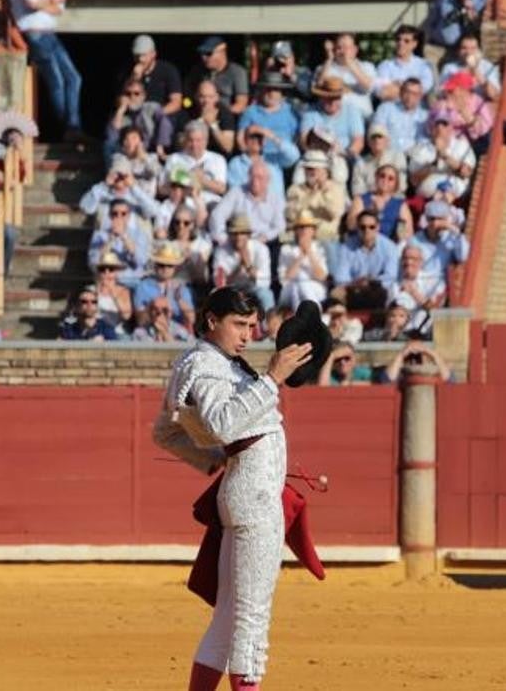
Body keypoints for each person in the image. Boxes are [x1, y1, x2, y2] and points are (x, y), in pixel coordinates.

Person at [159, 286, 313, 691]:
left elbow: (166, 431)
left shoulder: (209, 362)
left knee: (228, 620)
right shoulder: (209, 367)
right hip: (255, 499)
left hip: (248, 490)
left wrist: (215, 460)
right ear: (212, 321)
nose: (248, 334)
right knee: (250, 618)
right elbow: (223, 425)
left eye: (252, 326)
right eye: (239, 325)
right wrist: (272, 379)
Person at [9, 0, 83, 142]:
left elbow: (59, 9)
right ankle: (69, 128)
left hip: (49, 34)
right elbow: (31, 3)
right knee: (56, 81)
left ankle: (73, 124)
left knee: (74, 78)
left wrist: (44, 3)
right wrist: (49, 1)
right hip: (34, 34)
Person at [207, 159, 285, 246]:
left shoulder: (276, 199)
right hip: (236, 241)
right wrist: (223, 238)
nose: (255, 182)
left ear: (268, 180)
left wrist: (266, 237)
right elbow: (217, 214)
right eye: (252, 176)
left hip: (265, 243)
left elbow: (279, 227)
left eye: (260, 178)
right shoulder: (237, 192)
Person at [332, 209, 398, 309]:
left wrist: (371, 282)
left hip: (378, 289)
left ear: (378, 228)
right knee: (336, 293)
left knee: (393, 289)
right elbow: (340, 278)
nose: (367, 230)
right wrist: (356, 283)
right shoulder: (346, 247)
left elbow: (391, 276)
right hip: (354, 289)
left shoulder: (389, 246)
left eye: (372, 227)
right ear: (357, 228)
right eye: (363, 227)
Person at [212, 214, 273, 313]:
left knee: (266, 295)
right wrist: (239, 266)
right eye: (234, 233)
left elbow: (265, 282)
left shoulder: (261, 249)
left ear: (248, 235)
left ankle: (268, 327)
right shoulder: (221, 251)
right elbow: (219, 283)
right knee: (215, 295)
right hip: (232, 289)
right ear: (229, 235)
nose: (238, 237)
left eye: (242, 233)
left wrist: (248, 265)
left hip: (253, 288)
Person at [160, 119, 227, 209]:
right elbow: (161, 189)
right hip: (182, 203)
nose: (194, 145)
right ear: (185, 140)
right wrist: (181, 188)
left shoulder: (217, 159)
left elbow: (221, 189)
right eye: (190, 140)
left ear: (206, 141)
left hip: (209, 203)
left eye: (198, 140)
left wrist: (202, 180)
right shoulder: (174, 159)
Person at [285, 150, 346, 244]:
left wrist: (324, 191)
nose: (311, 172)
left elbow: (335, 214)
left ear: (325, 171)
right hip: (299, 238)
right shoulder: (294, 189)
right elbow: (291, 215)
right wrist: (311, 195)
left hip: (326, 238)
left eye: (315, 169)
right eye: (308, 168)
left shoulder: (336, 189)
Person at [87, 198, 151, 288]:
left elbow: (141, 262)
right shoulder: (99, 235)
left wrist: (124, 236)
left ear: (129, 216)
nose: (119, 217)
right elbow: (93, 262)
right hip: (107, 282)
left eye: (123, 214)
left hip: (132, 282)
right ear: (109, 215)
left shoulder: (139, 234)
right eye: (115, 213)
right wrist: (110, 239)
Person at [408, 114, 476, 198]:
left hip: (455, 197)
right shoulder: (421, 149)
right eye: (436, 125)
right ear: (431, 130)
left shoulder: (462, 145)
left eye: (444, 124)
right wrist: (433, 164)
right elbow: (413, 181)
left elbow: (467, 173)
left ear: (451, 128)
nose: (440, 127)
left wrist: (444, 155)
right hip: (429, 198)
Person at [133, 241, 195, 331]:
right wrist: (152, 307)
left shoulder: (183, 289)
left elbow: (191, 319)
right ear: (155, 266)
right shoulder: (142, 286)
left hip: (176, 332)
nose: (165, 269)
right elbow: (140, 321)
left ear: (175, 268)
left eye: (169, 265)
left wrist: (179, 300)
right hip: (149, 332)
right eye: (161, 265)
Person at [313, 33, 376, 120]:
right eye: (339, 47)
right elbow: (318, 88)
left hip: (362, 118)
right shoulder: (324, 68)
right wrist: (329, 59)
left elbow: (369, 87)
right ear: (334, 50)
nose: (342, 51)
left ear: (355, 50)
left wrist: (350, 63)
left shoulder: (367, 66)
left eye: (346, 48)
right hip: (331, 120)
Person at [299, 76, 363, 160]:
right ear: (321, 97)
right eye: (329, 98)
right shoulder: (310, 112)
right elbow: (304, 140)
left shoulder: (352, 111)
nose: (332, 102)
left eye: (336, 98)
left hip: (343, 156)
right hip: (317, 157)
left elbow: (358, 141)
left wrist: (346, 155)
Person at [106, 78, 172, 157]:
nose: (132, 97)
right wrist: (121, 109)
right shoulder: (119, 114)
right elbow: (112, 135)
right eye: (128, 94)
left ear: (143, 96)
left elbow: (165, 122)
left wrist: (160, 146)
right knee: (108, 145)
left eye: (136, 93)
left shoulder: (152, 108)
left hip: (149, 152)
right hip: (126, 153)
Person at [183, 35, 249, 114]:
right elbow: (186, 98)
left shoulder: (237, 72)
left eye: (208, 53)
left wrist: (219, 114)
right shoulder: (197, 71)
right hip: (199, 117)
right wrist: (188, 106)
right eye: (202, 54)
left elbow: (241, 105)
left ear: (222, 52)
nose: (203, 57)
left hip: (228, 118)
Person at [237, 71, 298, 155]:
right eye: (268, 89)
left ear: (281, 92)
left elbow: (296, 139)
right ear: (261, 90)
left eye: (276, 89)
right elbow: (240, 140)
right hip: (257, 156)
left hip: (282, 158)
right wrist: (250, 157)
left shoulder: (291, 111)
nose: (271, 94)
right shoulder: (250, 111)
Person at [388, 243, 445, 333]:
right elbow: (389, 315)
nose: (409, 262)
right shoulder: (394, 286)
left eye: (414, 259)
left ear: (421, 262)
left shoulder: (433, 282)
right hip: (401, 335)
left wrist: (414, 293)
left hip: (425, 335)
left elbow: (437, 313)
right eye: (405, 258)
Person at [277, 211, 328, 310]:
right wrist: (300, 256)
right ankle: (316, 314)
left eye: (308, 226)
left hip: (316, 288)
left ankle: (299, 318)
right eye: (301, 227)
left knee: (300, 284)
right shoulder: (286, 249)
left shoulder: (319, 248)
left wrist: (309, 252)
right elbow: (285, 279)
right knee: (299, 281)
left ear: (313, 230)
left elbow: (322, 277)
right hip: (288, 289)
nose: (304, 230)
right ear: (296, 230)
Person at [348, 163, 411, 242]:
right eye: (382, 176)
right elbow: (351, 225)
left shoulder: (400, 205)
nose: (385, 180)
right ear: (376, 177)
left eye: (390, 178)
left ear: (396, 184)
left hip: (388, 246)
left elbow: (407, 235)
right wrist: (372, 211)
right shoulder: (360, 199)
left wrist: (401, 231)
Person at [125, 34, 182, 117]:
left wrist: (156, 114)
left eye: (144, 55)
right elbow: (122, 99)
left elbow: (176, 102)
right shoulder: (127, 71)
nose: (140, 59)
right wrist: (135, 78)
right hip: (135, 115)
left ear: (153, 54)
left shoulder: (168, 70)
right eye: (137, 55)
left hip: (161, 114)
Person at [375, 25, 434, 101]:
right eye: (398, 39)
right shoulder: (385, 65)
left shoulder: (424, 65)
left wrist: (396, 85)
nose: (401, 43)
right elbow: (381, 92)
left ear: (414, 44)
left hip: (416, 110)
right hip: (390, 108)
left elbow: (423, 89)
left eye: (406, 41)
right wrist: (410, 88)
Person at [439, 33, 502, 102]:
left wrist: (475, 71)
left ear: (479, 50)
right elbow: (442, 94)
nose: (468, 52)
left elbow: (494, 95)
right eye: (464, 48)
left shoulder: (488, 67)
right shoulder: (449, 68)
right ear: (458, 51)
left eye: (473, 48)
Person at [371, 77, 427, 154]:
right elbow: (377, 132)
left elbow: (423, 141)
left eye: (414, 94)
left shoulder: (424, 116)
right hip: (388, 154)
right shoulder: (386, 108)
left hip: (413, 157)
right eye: (407, 92)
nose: (410, 97)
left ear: (420, 96)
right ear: (401, 92)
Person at [433, 71, 493, 142]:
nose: (447, 94)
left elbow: (485, 130)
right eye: (448, 91)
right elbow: (433, 126)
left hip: (475, 144)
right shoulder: (443, 104)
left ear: (463, 91)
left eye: (451, 91)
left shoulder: (478, 102)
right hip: (451, 143)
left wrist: (464, 111)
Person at [350, 124, 407, 198]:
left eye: (380, 137)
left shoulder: (397, 157)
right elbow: (357, 191)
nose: (377, 140)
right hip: (369, 202)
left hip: (393, 199)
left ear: (387, 140)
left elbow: (402, 186)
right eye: (373, 137)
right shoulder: (360, 163)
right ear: (368, 142)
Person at [183, 79, 235, 157]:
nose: (206, 101)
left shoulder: (225, 114)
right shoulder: (189, 113)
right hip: (191, 156)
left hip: (217, 158)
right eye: (202, 96)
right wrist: (198, 123)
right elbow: (180, 143)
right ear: (196, 96)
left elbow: (228, 147)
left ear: (217, 97)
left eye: (210, 97)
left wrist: (213, 125)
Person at [91, 250, 132, 337]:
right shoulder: (91, 290)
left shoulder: (123, 291)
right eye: (102, 269)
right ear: (98, 272)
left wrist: (112, 291)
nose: (106, 272)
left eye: (111, 269)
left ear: (117, 272)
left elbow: (126, 316)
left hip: (117, 332)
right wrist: (97, 293)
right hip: (95, 332)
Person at [383, 338, 451, 384]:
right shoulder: (399, 373)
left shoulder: (433, 372)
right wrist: (402, 354)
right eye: (409, 356)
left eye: (418, 357)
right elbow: (387, 380)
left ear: (426, 358)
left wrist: (429, 352)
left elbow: (449, 380)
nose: (414, 360)